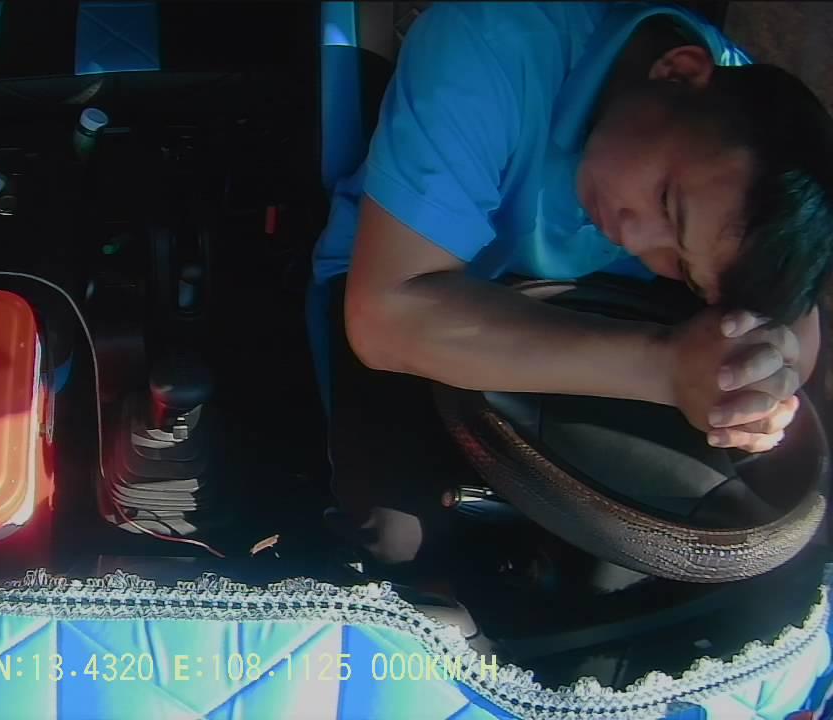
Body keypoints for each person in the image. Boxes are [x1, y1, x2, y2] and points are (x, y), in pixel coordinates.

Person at [309, 2, 833, 570]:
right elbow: (387, 317)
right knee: (399, 537)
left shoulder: (759, 167)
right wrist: (665, 368)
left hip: (589, 308)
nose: (635, 239)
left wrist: (757, 390)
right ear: (677, 73)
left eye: (680, 265)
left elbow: (793, 333)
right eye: (667, 203)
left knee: (648, 563)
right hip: (413, 283)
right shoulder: (487, 47)